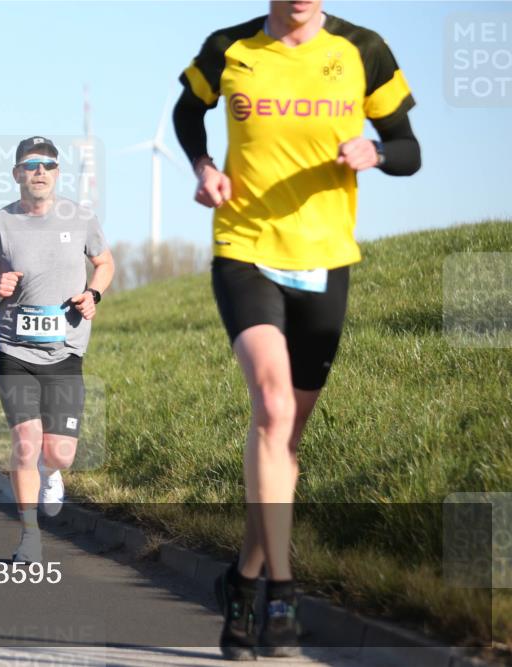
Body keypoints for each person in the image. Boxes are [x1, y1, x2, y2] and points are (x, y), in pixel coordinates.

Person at [173, 1, 420, 659]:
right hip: (245, 248)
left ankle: (242, 580)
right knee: (272, 407)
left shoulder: (364, 49)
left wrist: (376, 151)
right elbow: (185, 111)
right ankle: (280, 594)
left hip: (326, 260)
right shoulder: (229, 47)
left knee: (285, 443)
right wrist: (203, 166)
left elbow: (409, 149)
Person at [0, 136, 114, 563]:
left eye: (47, 164)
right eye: (31, 165)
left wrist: (93, 295)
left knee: (59, 452)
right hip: (14, 349)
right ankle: (29, 536)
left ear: (58, 173)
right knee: (25, 442)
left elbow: (105, 263)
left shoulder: (81, 219)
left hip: (65, 352)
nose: (40, 171)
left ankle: (50, 473)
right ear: (16, 175)